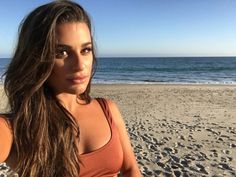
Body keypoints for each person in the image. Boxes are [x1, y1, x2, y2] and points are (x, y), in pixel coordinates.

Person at [0, 1, 141, 176]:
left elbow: (130, 169)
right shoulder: (16, 127)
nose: (80, 65)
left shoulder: (108, 109)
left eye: (86, 50)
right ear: (35, 59)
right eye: (61, 53)